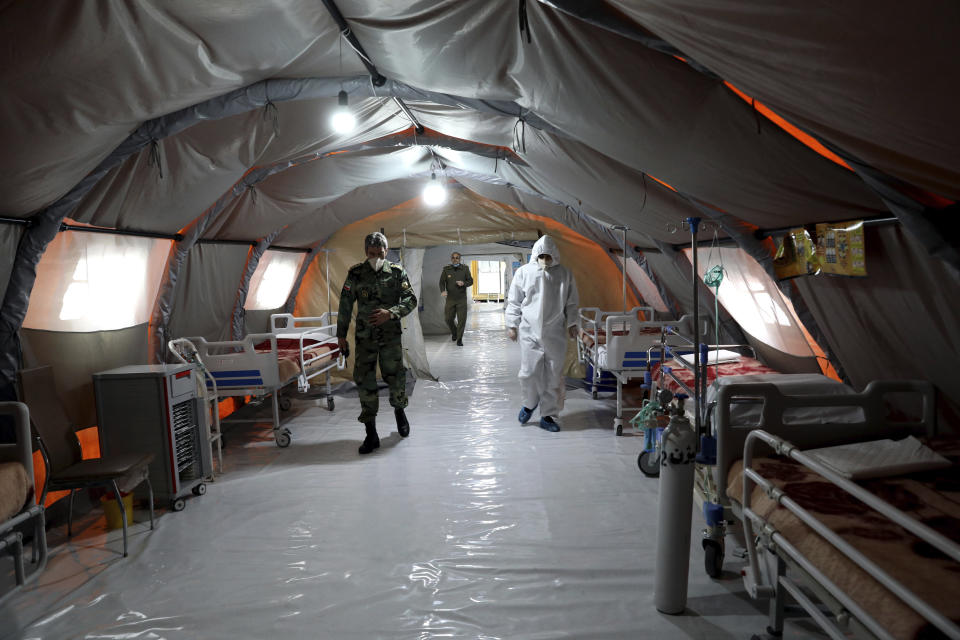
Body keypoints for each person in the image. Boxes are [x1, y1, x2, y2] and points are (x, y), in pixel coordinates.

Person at [337, 232, 417, 454]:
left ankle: (400, 412)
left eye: (380, 253)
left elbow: (411, 299)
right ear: (365, 252)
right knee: (365, 381)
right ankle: (370, 433)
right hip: (365, 338)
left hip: (390, 336)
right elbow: (345, 305)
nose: (376, 257)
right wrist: (340, 335)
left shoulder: (397, 272)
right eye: (371, 254)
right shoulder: (356, 274)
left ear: (386, 251)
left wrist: (391, 313)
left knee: (396, 376)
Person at [505, 235, 579, 432]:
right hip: (529, 331)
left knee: (553, 376)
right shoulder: (524, 273)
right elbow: (514, 301)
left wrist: (573, 323)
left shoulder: (564, 274)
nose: (545, 260)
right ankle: (529, 404)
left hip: (555, 333)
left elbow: (572, 302)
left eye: (549, 256)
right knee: (529, 373)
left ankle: (547, 415)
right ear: (536, 255)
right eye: (542, 256)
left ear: (554, 256)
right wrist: (512, 325)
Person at [439, 251, 473, 346]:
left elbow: (470, 281)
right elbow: (442, 282)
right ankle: (454, 332)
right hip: (450, 299)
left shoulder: (465, 269)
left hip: (461, 299)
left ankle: (459, 339)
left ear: (460, 259)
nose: (455, 259)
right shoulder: (446, 270)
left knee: (462, 319)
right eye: (453, 258)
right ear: (451, 259)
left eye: (457, 258)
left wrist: (464, 283)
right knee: (448, 318)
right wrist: (443, 290)